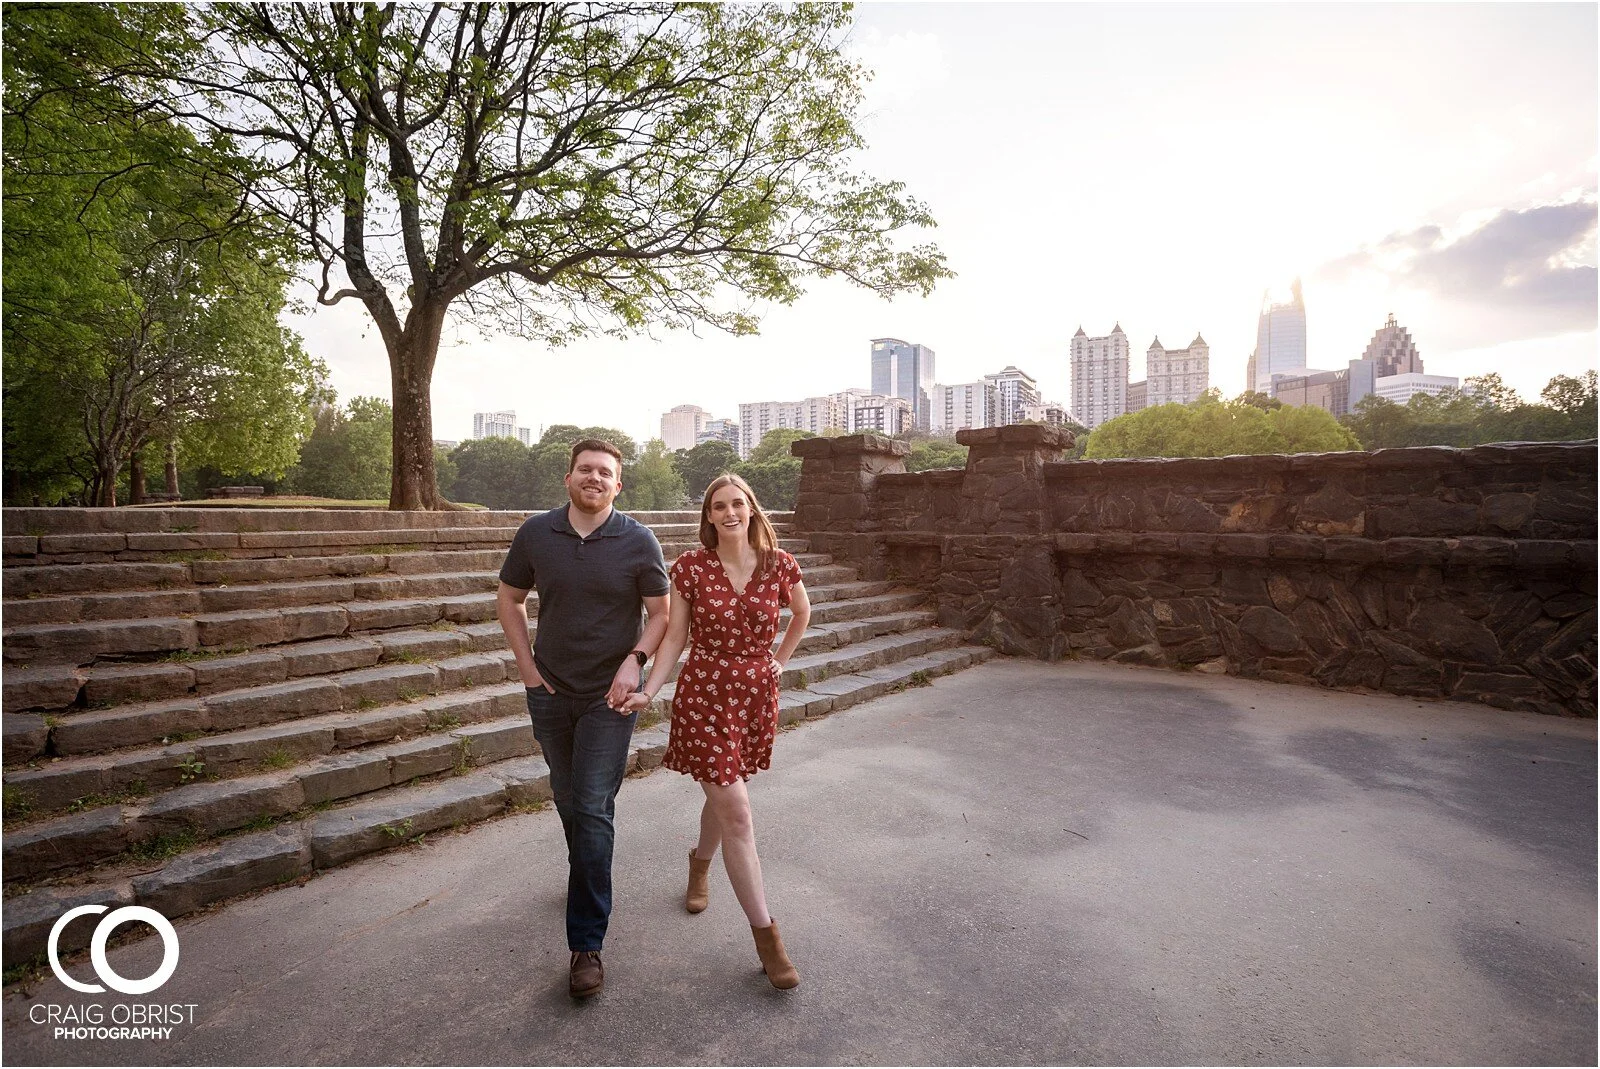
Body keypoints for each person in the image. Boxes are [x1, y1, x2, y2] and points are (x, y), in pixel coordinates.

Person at [496, 438, 670, 1000]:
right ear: (569, 479)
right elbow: (509, 598)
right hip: (548, 689)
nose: (594, 478)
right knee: (568, 795)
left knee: (592, 805)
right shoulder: (535, 534)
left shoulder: (638, 540)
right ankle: (584, 872)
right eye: (585, 470)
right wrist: (526, 668)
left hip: (609, 697)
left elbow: (662, 614)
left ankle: (586, 944)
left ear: (618, 485)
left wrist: (635, 661)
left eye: (605, 473)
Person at [623, 472, 811, 989]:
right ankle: (768, 938)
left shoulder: (779, 564)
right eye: (719, 506)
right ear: (709, 516)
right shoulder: (689, 567)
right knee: (738, 810)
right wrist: (651, 688)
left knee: (724, 797)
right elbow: (676, 635)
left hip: (754, 696)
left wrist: (778, 660)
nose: (729, 512)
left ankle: (699, 865)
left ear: (751, 509)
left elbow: (802, 612)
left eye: (738, 503)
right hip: (704, 695)